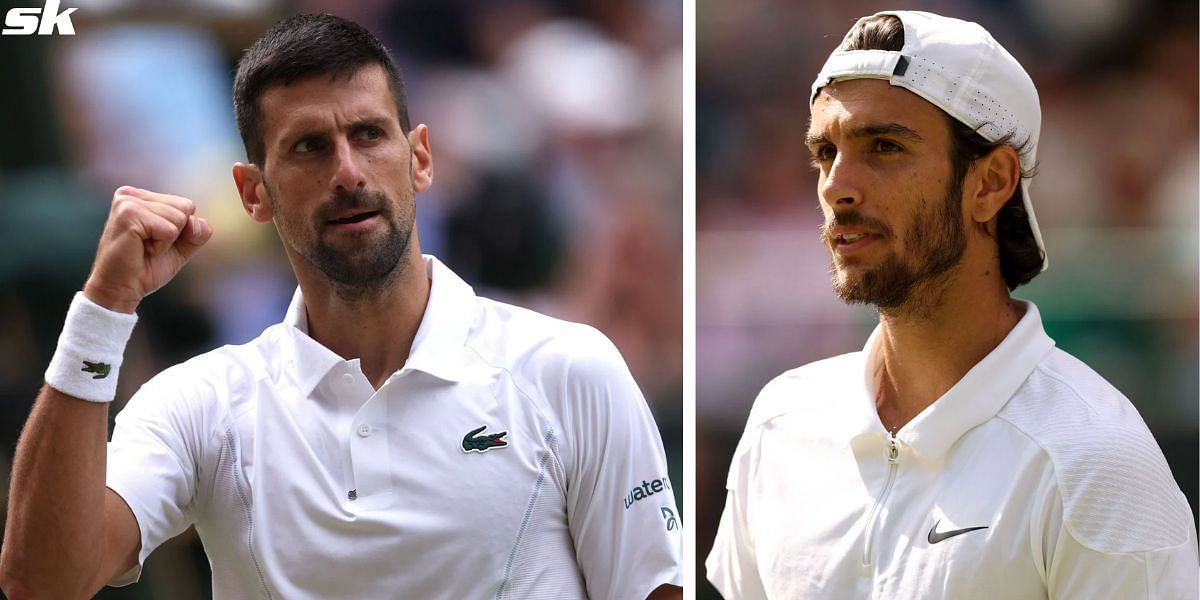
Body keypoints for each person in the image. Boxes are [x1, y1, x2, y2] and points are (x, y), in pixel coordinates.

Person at [0, 14, 682, 600]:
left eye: (369, 134)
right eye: (308, 147)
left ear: (419, 158)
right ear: (253, 192)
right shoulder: (202, 405)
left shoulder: (569, 369)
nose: (348, 171)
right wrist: (102, 311)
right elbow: (44, 581)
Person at [706, 10, 1197, 599]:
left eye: (884, 146)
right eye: (825, 153)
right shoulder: (780, 424)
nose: (837, 185)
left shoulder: (1099, 463)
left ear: (991, 183)